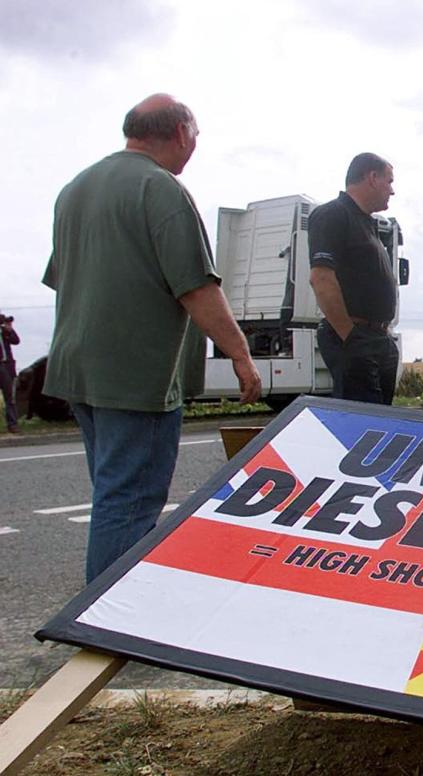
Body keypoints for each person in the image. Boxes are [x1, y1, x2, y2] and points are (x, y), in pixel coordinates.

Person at [43, 93, 261, 583]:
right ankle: (108, 617)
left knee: (111, 492)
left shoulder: (75, 187)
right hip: (136, 377)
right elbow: (197, 288)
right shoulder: (160, 189)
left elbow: (64, 276)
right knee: (131, 501)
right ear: (181, 133)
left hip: (78, 369)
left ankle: (104, 605)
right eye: (197, 135)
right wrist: (241, 356)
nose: (195, 145)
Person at [308, 153, 400, 405]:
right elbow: (321, 278)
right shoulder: (334, 214)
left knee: (383, 421)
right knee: (364, 423)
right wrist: (350, 336)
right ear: (372, 178)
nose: (392, 191)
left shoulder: (368, 223)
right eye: (389, 181)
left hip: (378, 336)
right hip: (355, 335)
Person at [0, 313, 19, 433]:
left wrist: (9, 330)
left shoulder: (4, 332)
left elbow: (16, 341)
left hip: (7, 365)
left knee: (9, 397)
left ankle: (12, 424)